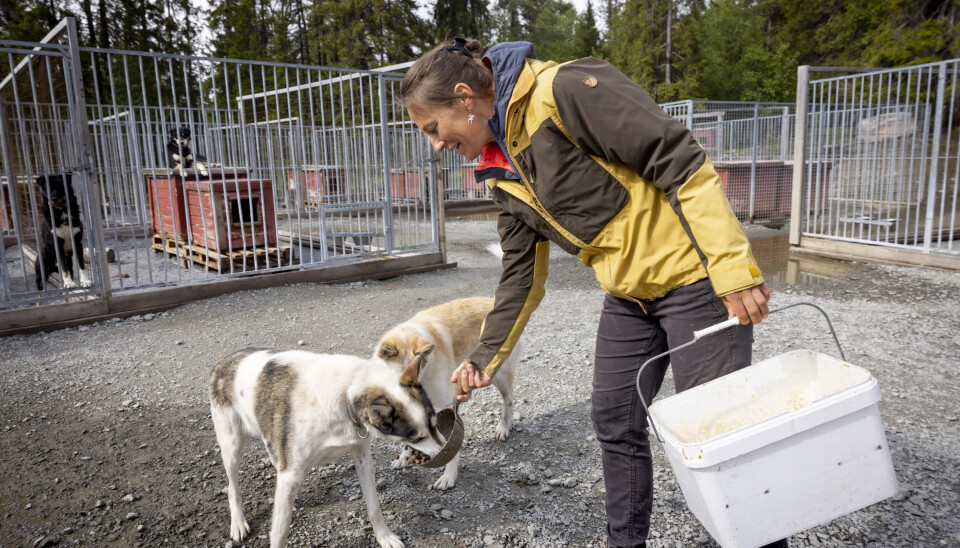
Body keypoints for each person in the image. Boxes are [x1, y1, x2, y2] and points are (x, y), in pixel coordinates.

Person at [399, 38, 783, 548]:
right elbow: (520, 275)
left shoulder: (565, 89)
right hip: (629, 297)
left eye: (432, 128)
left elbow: (679, 159)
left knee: (719, 430)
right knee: (614, 421)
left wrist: (732, 268)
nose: (435, 145)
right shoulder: (496, 168)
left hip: (695, 279)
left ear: (465, 98)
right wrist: (485, 357)